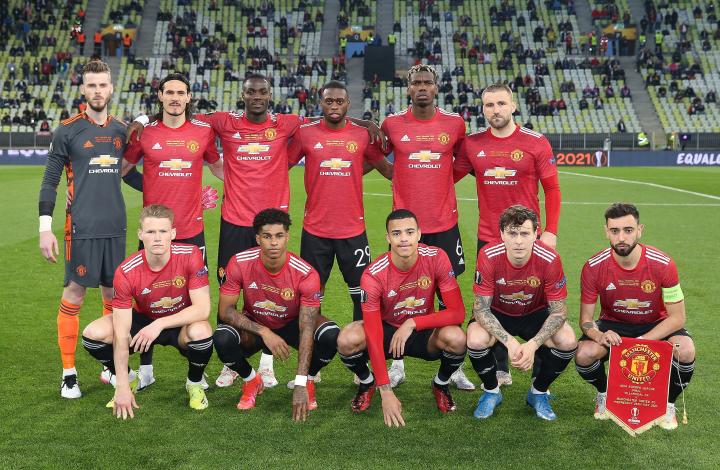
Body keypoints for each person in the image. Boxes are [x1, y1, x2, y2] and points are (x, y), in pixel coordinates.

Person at [129, 74, 381, 389]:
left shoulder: (287, 123)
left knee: (270, 292)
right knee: (229, 290)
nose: (257, 96)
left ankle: (267, 364)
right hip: (235, 220)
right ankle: (230, 364)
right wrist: (142, 119)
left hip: (271, 224)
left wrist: (364, 122)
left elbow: (329, 116)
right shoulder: (223, 122)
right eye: (251, 92)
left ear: (270, 94)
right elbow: (178, 110)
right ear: (244, 95)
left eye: (262, 91)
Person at [454, 82, 561, 387]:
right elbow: (447, 176)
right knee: (492, 301)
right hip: (490, 236)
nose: (495, 110)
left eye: (501, 103)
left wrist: (550, 231)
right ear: (483, 109)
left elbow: (552, 189)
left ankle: (538, 367)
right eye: (489, 105)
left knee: (539, 299)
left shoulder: (535, 142)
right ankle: (501, 366)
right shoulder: (473, 144)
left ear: (513, 106)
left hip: (529, 237)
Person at [377, 64, 474, 391]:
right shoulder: (392, 124)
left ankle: (455, 366)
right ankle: (397, 363)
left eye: (427, 82)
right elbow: (374, 153)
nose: (421, 87)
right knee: (399, 295)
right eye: (415, 82)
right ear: (408, 88)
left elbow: (464, 159)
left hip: (444, 224)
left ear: (436, 87)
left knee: (448, 295)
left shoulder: (454, 123)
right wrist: (396, 177)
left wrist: (445, 180)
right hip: (405, 227)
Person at [122, 72, 224, 385]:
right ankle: (146, 370)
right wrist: (150, 186)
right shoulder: (146, 132)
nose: (175, 98)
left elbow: (216, 166)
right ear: (161, 96)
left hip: (191, 231)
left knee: (195, 302)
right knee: (146, 300)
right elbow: (124, 169)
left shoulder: (203, 132)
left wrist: (250, 180)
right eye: (170, 92)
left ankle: (197, 370)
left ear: (189, 97)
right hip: (154, 231)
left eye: (181, 93)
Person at [38, 60, 129, 398]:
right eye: (92, 85)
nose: (97, 91)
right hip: (81, 227)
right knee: (74, 293)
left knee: (113, 296)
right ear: (83, 89)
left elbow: (134, 174)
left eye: (103, 85)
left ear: (111, 88)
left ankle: (110, 366)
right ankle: (69, 372)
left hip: (116, 227)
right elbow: (50, 181)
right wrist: (44, 228)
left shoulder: (122, 130)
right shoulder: (67, 130)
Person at [336, 209, 467, 427]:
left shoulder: (436, 257)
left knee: (457, 338)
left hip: (422, 332)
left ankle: (440, 384)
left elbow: (457, 312)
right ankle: (367, 382)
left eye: (409, 232)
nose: (404, 238)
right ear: (388, 238)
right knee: (346, 339)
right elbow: (373, 333)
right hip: (387, 331)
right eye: (396, 234)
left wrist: (413, 323)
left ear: (419, 234)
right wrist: (385, 389)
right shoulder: (373, 275)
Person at [81, 205, 214, 417]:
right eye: (151, 232)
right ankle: (130, 379)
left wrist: (159, 324)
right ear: (140, 234)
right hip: (143, 321)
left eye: (163, 231)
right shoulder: (126, 271)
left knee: (202, 332)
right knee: (93, 334)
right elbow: (121, 333)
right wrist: (122, 386)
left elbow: (202, 309)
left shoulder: (191, 254)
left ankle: (194, 383)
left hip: (178, 322)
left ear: (173, 233)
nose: (157, 238)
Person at [575, 203, 695, 430]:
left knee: (685, 350)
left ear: (640, 230)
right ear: (606, 231)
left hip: (655, 324)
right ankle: (605, 394)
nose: (621, 237)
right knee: (584, 354)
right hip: (613, 325)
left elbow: (677, 318)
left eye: (628, 230)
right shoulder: (593, 267)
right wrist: (599, 336)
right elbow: (586, 321)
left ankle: (667, 404)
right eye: (615, 231)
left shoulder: (663, 264)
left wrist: (641, 342)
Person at [212, 209, 339, 421]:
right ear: (257, 238)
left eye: (279, 236)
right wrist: (264, 332)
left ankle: (308, 379)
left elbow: (307, 327)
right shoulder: (239, 262)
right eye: (267, 236)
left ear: (287, 237)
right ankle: (251, 380)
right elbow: (225, 311)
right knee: (222, 338)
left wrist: (300, 382)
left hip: (292, 324)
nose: (273, 243)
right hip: (255, 324)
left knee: (330, 335)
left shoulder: (306, 273)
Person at [288, 80, 391, 324]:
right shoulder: (305, 133)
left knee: (362, 295)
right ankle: (311, 346)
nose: (334, 105)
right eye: (329, 101)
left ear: (348, 103)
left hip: (353, 230)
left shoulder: (362, 135)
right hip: (315, 230)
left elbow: (387, 169)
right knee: (311, 295)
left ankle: (359, 345)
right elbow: (281, 166)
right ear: (320, 103)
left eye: (339, 101)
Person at [467, 205, 576, 420]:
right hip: (498, 313)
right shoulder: (488, 255)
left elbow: (559, 312)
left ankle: (538, 392)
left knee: (568, 340)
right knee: (475, 339)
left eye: (525, 233)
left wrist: (533, 344)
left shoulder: (550, 258)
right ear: (502, 234)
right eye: (512, 233)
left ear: (536, 234)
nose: (518, 241)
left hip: (534, 314)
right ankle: (491, 391)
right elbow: (481, 309)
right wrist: (510, 342)